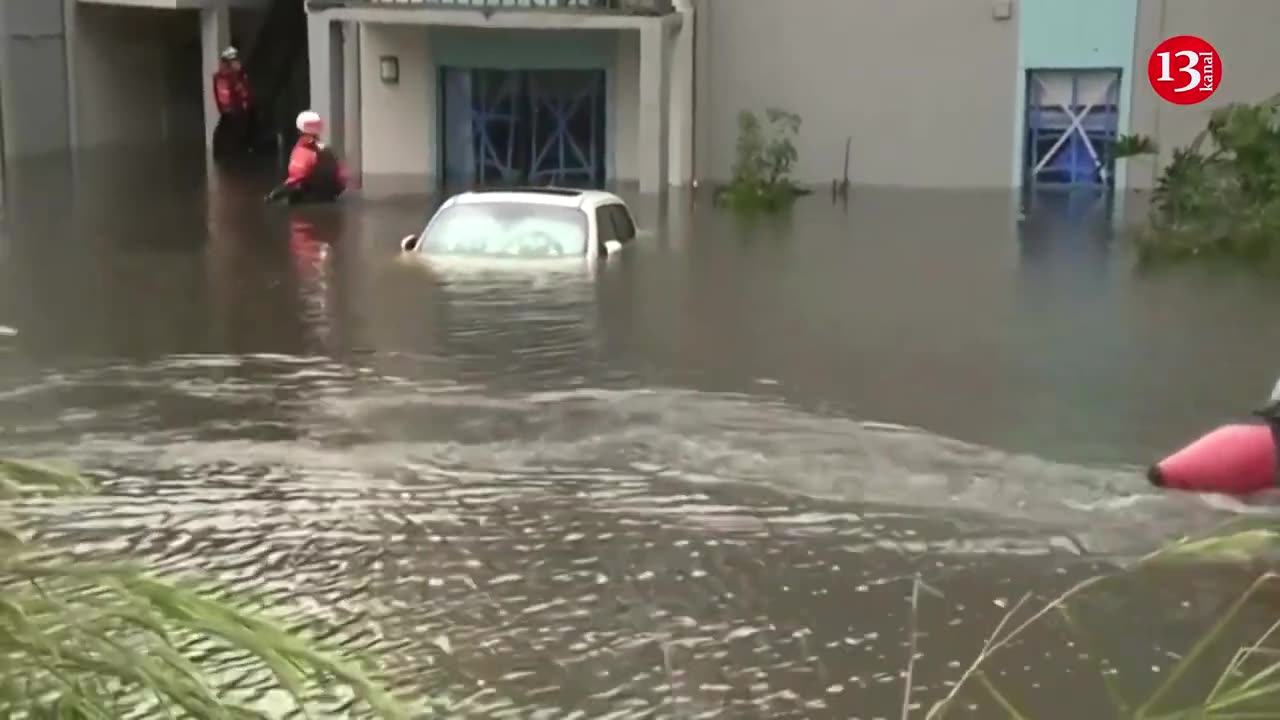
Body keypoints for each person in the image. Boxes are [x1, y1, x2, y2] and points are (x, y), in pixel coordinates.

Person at [264, 111, 349, 205]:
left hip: (309, 200)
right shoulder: (327, 149)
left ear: (299, 129)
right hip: (330, 198)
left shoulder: (303, 150)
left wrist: (273, 195)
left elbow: (295, 179)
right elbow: (342, 178)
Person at [211, 46, 254, 160]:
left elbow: (248, 97)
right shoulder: (222, 79)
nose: (238, 63)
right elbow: (226, 104)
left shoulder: (242, 76)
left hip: (242, 123)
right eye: (234, 61)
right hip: (231, 126)